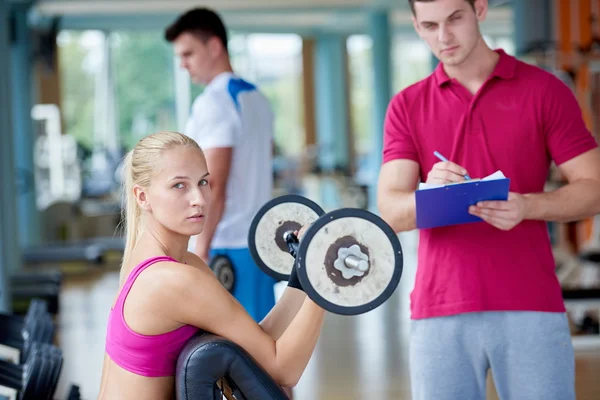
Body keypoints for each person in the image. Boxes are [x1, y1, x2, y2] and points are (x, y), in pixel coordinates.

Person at [377, 0, 600, 399]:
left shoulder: (544, 90)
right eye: (429, 25)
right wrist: (429, 193)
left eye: (454, 19)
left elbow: (594, 185)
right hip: (439, 306)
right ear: (415, 25)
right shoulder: (407, 106)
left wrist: (528, 206)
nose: (443, 37)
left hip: (530, 301)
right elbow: (391, 211)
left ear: (479, 9)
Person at [98, 131, 325, 400]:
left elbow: (258, 342)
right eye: (179, 186)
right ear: (142, 197)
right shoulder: (172, 280)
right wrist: (323, 281)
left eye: (203, 182)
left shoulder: (177, 264)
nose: (200, 199)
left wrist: (301, 275)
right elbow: (284, 370)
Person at [164, 8, 277, 322]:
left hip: (228, 246)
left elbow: (212, 183)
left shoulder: (214, 102)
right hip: (260, 242)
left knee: (235, 355)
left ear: (214, 46)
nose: (183, 64)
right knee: (264, 343)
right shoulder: (257, 99)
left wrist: (200, 248)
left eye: (188, 53)